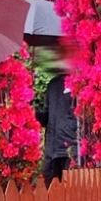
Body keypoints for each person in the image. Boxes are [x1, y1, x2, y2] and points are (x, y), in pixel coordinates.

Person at [38, 55, 79, 184]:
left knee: (67, 190)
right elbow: (46, 115)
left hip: (68, 147)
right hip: (54, 149)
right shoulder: (53, 84)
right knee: (51, 191)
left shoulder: (79, 83)